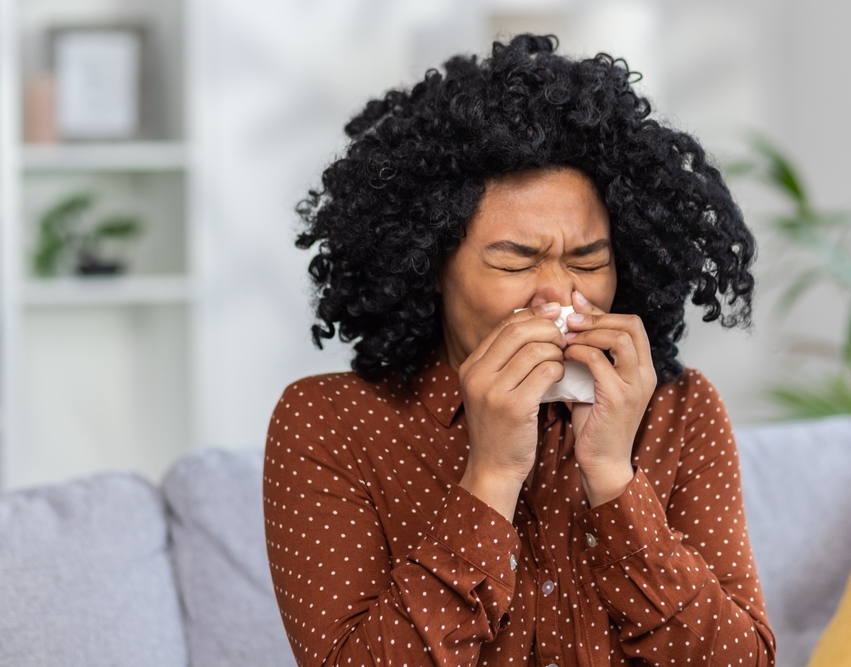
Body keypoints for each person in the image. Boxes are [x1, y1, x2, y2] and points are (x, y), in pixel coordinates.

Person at [264, 34, 775, 667]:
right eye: (514, 262)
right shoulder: (328, 424)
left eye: (589, 261)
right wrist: (492, 477)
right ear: (430, 265)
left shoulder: (681, 411)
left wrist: (614, 475)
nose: (558, 296)